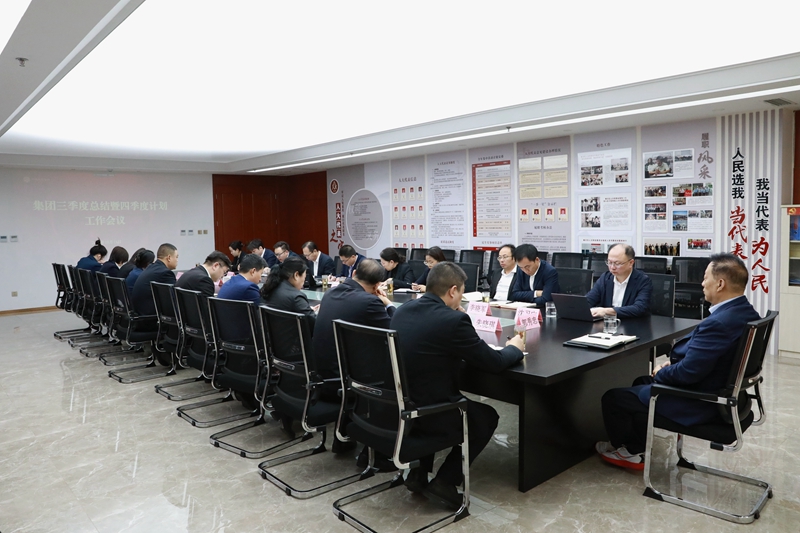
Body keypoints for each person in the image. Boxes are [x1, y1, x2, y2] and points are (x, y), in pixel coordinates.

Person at [597, 254, 761, 470]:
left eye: (705, 278)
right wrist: (675, 365)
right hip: (726, 393)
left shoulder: (720, 323)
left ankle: (629, 453)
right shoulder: (746, 312)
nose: (702, 283)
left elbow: (688, 374)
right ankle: (636, 445)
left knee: (613, 398)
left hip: (703, 402)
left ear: (720, 284)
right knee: (640, 382)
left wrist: (664, 372)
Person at [391, 262, 525, 508]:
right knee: (485, 417)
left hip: (400, 406)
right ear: (453, 290)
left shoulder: (403, 310)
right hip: (431, 411)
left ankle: (418, 474)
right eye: (462, 292)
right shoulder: (453, 321)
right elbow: (494, 362)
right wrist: (514, 348)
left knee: (430, 390)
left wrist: (456, 317)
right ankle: (445, 482)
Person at [313, 258, 396, 462]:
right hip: (347, 381)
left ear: (354, 273)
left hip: (321, 375)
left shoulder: (330, 294)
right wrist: (388, 304)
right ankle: (379, 450)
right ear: (377, 286)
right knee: (396, 371)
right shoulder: (370, 302)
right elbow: (395, 332)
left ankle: (346, 434)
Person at [586, 244, 653, 318]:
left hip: (632, 323)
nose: (612, 267)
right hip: (608, 323)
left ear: (631, 263)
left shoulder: (643, 281)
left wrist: (606, 311)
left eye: (617, 263)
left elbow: (639, 308)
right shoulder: (605, 278)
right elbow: (589, 300)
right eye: (609, 262)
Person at [260, 256, 317, 331]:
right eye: (304, 278)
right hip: (295, 337)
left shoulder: (268, 289)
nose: (303, 283)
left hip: (273, 336)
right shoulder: (296, 297)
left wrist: (306, 309)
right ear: (296, 275)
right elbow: (316, 323)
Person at [131, 243, 179, 317]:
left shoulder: (151, 267)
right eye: (176, 257)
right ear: (169, 258)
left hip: (139, 314)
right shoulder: (165, 273)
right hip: (150, 317)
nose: (177, 260)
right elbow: (174, 300)